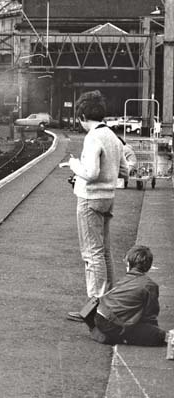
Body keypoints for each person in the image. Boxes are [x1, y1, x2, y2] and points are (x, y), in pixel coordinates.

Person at [67, 90, 128, 322]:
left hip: (90, 199)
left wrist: (73, 165)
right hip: (108, 198)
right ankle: (107, 302)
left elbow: (90, 173)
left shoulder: (93, 137)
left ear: (82, 116)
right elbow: (125, 170)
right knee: (104, 252)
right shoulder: (112, 136)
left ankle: (94, 308)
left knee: (91, 254)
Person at [84, 245, 166, 346]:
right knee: (159, 335)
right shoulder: (150, 286)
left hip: (98, 315)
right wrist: (152, 330)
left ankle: (103, 332)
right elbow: (150, 315)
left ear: (128, 264)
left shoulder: (125, 278)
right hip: (113, 324)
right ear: (148, 267)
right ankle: (118, 338)